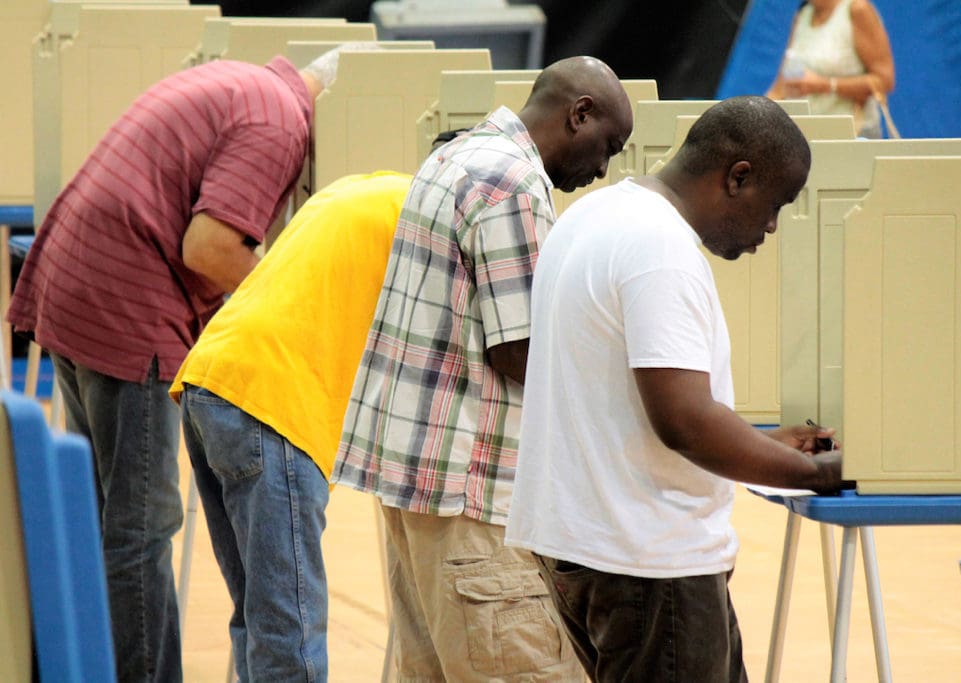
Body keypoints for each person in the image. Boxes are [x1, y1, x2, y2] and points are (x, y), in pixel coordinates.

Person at [5, 47, 346, 682]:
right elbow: (211, 245)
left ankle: (83, 668)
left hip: (76, 287)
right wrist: (286, 298)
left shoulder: (238, 82)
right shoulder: (280, 122)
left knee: (97, 512)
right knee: (141, 528)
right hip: (126, 306)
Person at [503, 95, 850, 683]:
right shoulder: (659, 250)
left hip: (589, 548)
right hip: (649, 563)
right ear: (738, 177)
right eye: (775, 205)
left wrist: (767, 443)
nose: (771, 226)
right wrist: (819, 474)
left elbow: (622, 400)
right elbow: (684, 422)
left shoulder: (595, 214)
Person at [331, 56, 634, 681]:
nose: (604, 169)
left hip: (419, 481)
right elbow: (520, 350)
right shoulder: (515, 186)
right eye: (608, 147)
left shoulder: (457, 155)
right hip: (473, 493)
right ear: (579, 115)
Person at [169, 129, 469, 683]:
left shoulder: (362, 190)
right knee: (291, 633)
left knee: (260, 619)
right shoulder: (432, 226)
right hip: (270, 407)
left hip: (210, 382)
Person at [766, 0, 895, 138]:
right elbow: (780, 88)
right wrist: (752, 117)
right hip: (804, 138)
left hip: (851, 137)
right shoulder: (803, 13)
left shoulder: (857, 10)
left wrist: (824, 85)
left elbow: (884, 81)